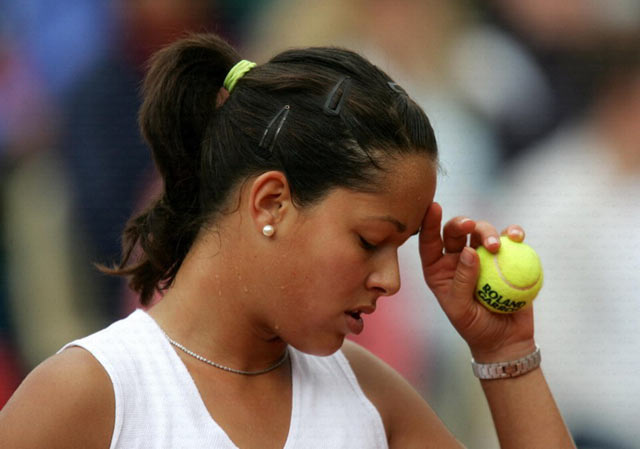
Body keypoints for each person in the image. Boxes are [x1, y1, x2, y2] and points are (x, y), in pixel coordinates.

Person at [0, 33, 575, 448]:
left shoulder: (370, 394)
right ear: (271, 202)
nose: (391, 281)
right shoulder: (91, 392)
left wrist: (505, 353)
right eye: (370, 240)